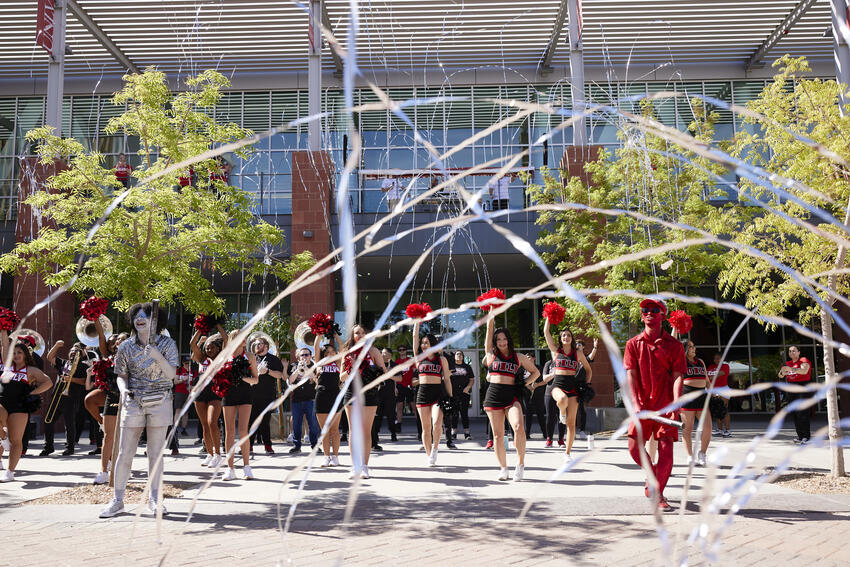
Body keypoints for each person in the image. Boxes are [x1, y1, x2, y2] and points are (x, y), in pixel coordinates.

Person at [99, 302, 179, 518]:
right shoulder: (125, 346)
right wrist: (123, 390)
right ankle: (117, 500)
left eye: (145, 315)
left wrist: (157, 356)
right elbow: (121, 375)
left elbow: (171, 374)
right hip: (133, 401)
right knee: (125, 452)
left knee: (155, 454)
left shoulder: (168, 344)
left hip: (161, 400)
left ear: (156, 321)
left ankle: (155, 500)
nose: (140, 318)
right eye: (137, 316)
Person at [624, 298, 685, 512]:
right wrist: (636, 401)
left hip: (665, 404)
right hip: (642, 405)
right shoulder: (633, 344)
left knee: (666, 450)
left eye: (654, 310)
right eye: (645, 310)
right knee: (633, 447)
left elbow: (678, 376)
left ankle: (658, 494)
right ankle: (653, 476)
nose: (648, 313)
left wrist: (676, 406)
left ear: (663, 315)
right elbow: (630, 375)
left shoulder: (675, 346)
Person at [481, 316, 539, 481]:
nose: (501, 342)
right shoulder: (491, 355)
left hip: (512, 395)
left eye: (504, 338)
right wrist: (492, 313)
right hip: (493, 396)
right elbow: (488, 331)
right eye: (498, 339)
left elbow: (536, 372)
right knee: (498, 435)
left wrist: (523, 384)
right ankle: (503, 468)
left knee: (518, 427)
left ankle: (520, 465)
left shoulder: (518, 357)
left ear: (508, 340)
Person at [0, 336, 54, 482]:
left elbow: (48, 382)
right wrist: (4, 327)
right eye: (15, 353)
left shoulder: (31, 370)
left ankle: (10, 472)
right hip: (3, 403)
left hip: (19, 406)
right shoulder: (7, 365)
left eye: (19, 353)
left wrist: (32, 393)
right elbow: (5, 343)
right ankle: (4, 438)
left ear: (25, 355)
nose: (16, 355)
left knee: (16, 440)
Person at [340, 324, 387, 479]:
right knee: (353, 431)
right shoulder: (347, 353)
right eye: (356, 333)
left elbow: (383, 373)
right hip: (351, 393)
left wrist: (371, 373)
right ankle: (355, 467)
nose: (360, 335)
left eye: (362, 332)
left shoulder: (373, 351)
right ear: (352, 336)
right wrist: (351, 368)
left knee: (366, 431)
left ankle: (365, 467)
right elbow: (341, 378)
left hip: (369, 394)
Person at [542, 319, 592, 463]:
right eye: (563, 335)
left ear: (572, 338)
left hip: (573, 387)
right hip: (557, 386)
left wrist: (586, 384)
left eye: (568, 335)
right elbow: (546, 332)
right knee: (562, 400)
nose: (566, 337)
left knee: (571, 424)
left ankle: (567, 452)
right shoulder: (555, 351)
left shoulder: (578, 353)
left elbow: (588, 370)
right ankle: (561, 412)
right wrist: (549, 317)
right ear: (560, 338)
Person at [412, 321, 452, 466]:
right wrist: (417, 321)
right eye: (422, 343)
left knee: (436, 423)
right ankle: (429, 456)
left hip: (438, 394)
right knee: (426, 428)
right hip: (422, 393)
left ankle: (435, 449)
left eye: (427, 342)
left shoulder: (441, 360)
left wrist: (451, 396)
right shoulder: (419, 358)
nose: (424, 345)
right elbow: (414, 337)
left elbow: (447, 380)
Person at [220, 333, 259, 481]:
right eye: (237, 336)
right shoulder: (225, 356)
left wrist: (242, 378)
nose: (241, 339)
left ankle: (247, 467)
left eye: (243, 336)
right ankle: (230, 469)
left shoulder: (249, 356)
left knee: (243, 431)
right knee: (229, 432)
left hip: (245, 394)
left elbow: (256, 380)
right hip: (228, 394)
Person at [43, 341, 91, 456]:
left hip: (71, 398)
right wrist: (56, 346)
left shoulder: (84, 366)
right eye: (72, 351)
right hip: (57, 396)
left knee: (69, 424)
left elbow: (85, 382)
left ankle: (70, 447)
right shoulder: (64, 363)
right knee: (47, 421)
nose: (73, 353)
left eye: (76, 351)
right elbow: (50, 357)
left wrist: (71, 379)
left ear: (81, 354)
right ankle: (48, 447)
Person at [190, 324, 228, 468]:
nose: (209, 349)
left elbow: (225, 339)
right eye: (207, 348)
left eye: (211, 347)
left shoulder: (221, 358)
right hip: (200, 392)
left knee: (213, 422)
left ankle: (218, 455)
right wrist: (201, 327)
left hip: (215, 392)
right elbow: (192, 344)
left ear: (218, 348)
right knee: (205, 425)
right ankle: (210, 454)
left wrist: (217, 324)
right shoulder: (202, 359)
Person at [250, 336, 285, 454]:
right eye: (255, 344)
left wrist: (268, 371)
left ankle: (268, 446)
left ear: (266, 346)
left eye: (259, 344)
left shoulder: (273, 359)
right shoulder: (250, 358)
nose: (256, 346)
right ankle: (248, 446)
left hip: (267, 395)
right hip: (251, 395)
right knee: (251, 421)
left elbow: (280, 375)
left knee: (265, 422)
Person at [681, 340, 711, 467]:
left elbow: (707, 380)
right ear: (685, 349)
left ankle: (702, 454)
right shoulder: (682, 362)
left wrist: (712, 392)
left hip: (702, 396)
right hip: (687, 396)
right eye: (690, 347)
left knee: (708, 428)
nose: (693, 349)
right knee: (687, 428)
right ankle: (689, 456)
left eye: (694, 346)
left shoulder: (700, 362)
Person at [313, 336, 343, 467]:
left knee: (335, 430)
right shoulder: (319, 363)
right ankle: (326, 456)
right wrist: (319, 335)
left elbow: (342, 348)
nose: (330, 354)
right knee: (324, 430)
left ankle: (335, 457)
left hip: (335, 396)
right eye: (327, 352)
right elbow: (315, 347)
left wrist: (335, 335)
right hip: (321, 396)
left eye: (332, 352)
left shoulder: (338, 363)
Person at [288, 347, 320, 455]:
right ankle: (297, 446)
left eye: (306, 355)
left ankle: (315, 446)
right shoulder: (293, 366)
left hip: (310, 399)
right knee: (296, 424)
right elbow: (291, 380)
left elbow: (315, 380)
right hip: (297, 399)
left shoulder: (314, 366)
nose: (304, 357)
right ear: (298, 356)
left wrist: (307, 369)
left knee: (312, 424)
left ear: (310, 356)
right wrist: (298, 370)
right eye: (302, 355)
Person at [779, 346, 813, 444]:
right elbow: (780, 375)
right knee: (795, 413)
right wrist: (783, 372)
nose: (792, 353)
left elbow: (804, 371)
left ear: (798, 352)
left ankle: (806, 437)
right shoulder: (788, 363)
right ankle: (800, 436)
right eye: (790, 351)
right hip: (791, 387)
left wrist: (791, 370)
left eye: (794, 351)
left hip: (803, 386)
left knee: (803, 412)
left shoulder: (803, 360)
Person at [373, 348, 399, 448]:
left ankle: (393, 433)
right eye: (382, 353)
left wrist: (390, 376)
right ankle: (375, 435)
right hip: (378, 393)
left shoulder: (394, 365)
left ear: (390, 355)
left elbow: (400, 378)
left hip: (390, 393)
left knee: (391, 415)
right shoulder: (377, 364)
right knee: (377, 415)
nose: (382, 355)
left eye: (385, 353)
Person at [448, 351, 475, 440]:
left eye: (461, 354)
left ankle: (467, 433)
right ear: (454, 356)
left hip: (464, 393)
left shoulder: (467, 367)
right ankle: (453, 433)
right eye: (457, 354)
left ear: (463, 357)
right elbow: (446, 379)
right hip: (453, 393)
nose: (459, 356)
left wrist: (467, 388)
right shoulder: (451, 367)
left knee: (464, 413)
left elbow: (472, 379)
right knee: (454, 413)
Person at [574, 338, 598, 439]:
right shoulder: (572, 357)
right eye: (576, 344)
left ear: (583, 347)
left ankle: (582, 430)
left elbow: (591, 356)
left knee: (582, 409)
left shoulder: (585, 358)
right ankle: (572, 429)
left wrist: (595, 346)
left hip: (581, 386)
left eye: (580, 344)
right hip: (571, 385)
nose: (578, 345)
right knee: (571, 409)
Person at [707, 352, 731, 437]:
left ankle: (728, 430)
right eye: (715, 358)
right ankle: (720, 430)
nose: (716, 360)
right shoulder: (711, 367)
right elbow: (707, 377)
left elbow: (721, 373)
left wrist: (710, 377)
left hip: (723, 389)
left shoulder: (725, 366)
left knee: (724, 410)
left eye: (718, 358)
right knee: (717, 411)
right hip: (713, 391)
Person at [542, 359, 565, 448]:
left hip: (562, 393)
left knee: (562, 416)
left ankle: (561, 439)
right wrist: (554, 373)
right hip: (549, 393)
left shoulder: (564, 362)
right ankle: (549, 440)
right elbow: (545, 379)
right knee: (550, 417)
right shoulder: (548, 363)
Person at [394, 345, 416, 432]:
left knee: (414, 406)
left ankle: (420, 424)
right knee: (399, 406)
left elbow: (415, 372)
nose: (402, 351)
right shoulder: (397, 362)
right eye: (400, 350)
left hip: (410, 385)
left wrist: (415, 383)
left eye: (403, 349)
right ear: (398, 352)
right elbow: (395, 376)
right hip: (400, 386)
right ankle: (399, 425)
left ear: (406, 351)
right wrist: (395, 387)